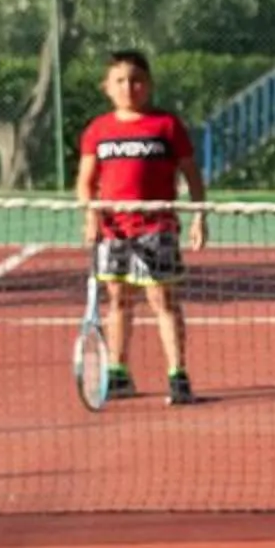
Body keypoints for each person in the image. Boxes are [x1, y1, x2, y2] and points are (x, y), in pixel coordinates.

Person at [75, 48, 208, 405]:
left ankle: (178, 376)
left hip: (157, 228)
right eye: (120, 80)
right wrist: (91, 215)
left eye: (136, 80)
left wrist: (200, 215)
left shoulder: (166, 125)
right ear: (106, 87)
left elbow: (192, 174)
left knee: (163, 299)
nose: (128, 87)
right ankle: (118, 372)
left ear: (148, 85)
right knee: (118, 299)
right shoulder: (98, 130)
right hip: (113, 231)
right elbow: (86, 182)